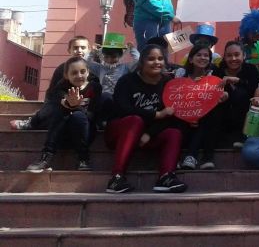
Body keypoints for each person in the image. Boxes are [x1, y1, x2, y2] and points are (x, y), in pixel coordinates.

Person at [105, 44, 186, 193]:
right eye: (151, 59)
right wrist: (156, 115)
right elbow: (122, 109)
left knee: (174, 132)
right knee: (135, 120)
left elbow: (170, 115)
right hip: (120, 133)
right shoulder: (127, 81)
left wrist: (149, 133)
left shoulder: (168, 83)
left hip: (148, 135)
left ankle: (166, 177)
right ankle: (116, 178)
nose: (157, 62)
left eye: (160, 59)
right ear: (142, 62)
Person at [26, 57, 104, 172]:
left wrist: (76, 107)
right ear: (67, 75)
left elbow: (91, 115)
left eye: (82, 71)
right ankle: (46, 157)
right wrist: (69, 103)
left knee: (78, 116)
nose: (79, 75)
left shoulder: (95, 87)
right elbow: (59, 102)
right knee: (59, 112)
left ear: (88, 72)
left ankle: (83, 159)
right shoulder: (61, 87)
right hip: (61, 132)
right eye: (74, 73)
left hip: (85, 132)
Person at [11, 36, 103, 131]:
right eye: (75, 48)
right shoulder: (62, 68)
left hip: (86, 107)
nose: (79, 50)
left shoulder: (96, 68)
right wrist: (67, 101)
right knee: (53, 107)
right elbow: (53, 92)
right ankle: (32, 123)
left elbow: (97, 91)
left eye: (83, 48)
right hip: (64, 104)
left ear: (89, 49)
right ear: (69, 50)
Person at [177, 45, 225, 170]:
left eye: (206, 55)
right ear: (191, 59)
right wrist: (188, 116)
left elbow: (220, 94)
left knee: (213, 113)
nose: (203, 58)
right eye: (199, 55)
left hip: (205, 120)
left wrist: (224, 95)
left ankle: (193, 156)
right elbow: (174, 99)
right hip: (183, 119)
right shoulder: (181, 74)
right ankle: (175, 157)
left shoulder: (213, 75)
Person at [212, 41, 259, 148]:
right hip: (224, 116)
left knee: (241, 94)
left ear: (243, 56)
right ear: (224, 57)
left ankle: (243, 138)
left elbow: (255, 90)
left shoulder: (251, 69)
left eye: (237, 54)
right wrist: (222, 95)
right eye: (229, 55)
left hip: (246, 115)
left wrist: (238, 81)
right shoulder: (217, 72)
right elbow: (212, 92)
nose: (233, 59)